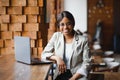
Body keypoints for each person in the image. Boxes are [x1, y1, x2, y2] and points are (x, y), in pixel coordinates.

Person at [41, 11, 90, 80]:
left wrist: (73, 78)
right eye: (62, 24)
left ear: (73, 24)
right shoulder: (56, 36)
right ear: (58, 26)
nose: (65, 27)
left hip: (77, 75)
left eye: (68, 24)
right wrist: (57, 58)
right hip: (60, 74)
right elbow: (44, 54)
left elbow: (87, 63)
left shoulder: (83, 40)